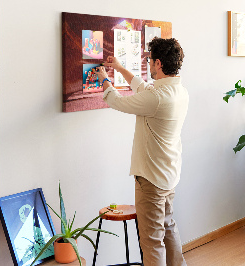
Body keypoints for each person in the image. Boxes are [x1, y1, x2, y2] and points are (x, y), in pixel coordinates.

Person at [93, 37, 188, 266]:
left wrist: (104, 79)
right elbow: (143, 88)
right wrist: (119, 68)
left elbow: (117, 101)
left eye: (149, 61)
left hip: (151, 179)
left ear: (158, 64)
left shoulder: (156, 98)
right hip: (168, 175)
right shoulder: (179, 92)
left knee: (152, 241)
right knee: (168, 229)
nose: (147, 65)